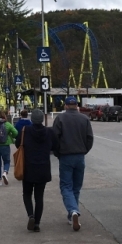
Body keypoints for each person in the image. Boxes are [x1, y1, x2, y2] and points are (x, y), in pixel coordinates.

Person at [52, 96, 94, 231]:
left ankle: (73, 211)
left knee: (66, 186)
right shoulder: (84, 119)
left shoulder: (60, 119)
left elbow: (55, 138)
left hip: (65, 156)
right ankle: (72, 214)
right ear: (77, 105)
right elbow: (90, 138)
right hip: (80, 156)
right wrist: (84, 150)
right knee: (76, 187)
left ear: (65, 106)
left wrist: (58, 152)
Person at [20, 109, 58, 232]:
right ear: (42, 119)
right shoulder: (49, 132)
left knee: (26, 194)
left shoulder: (25, 130)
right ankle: (36, 224)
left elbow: (17, 144)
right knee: (39, 197)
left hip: (28, 167)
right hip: (43, 168)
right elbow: (55, 146)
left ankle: (30, 215)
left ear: (32, 119)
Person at [0, 110, 18, 186]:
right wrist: (11, 136)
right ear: (4, 117)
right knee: (7, 161)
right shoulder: (8, 124)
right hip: (5, 146)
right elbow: (16, 133)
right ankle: (5, 172)